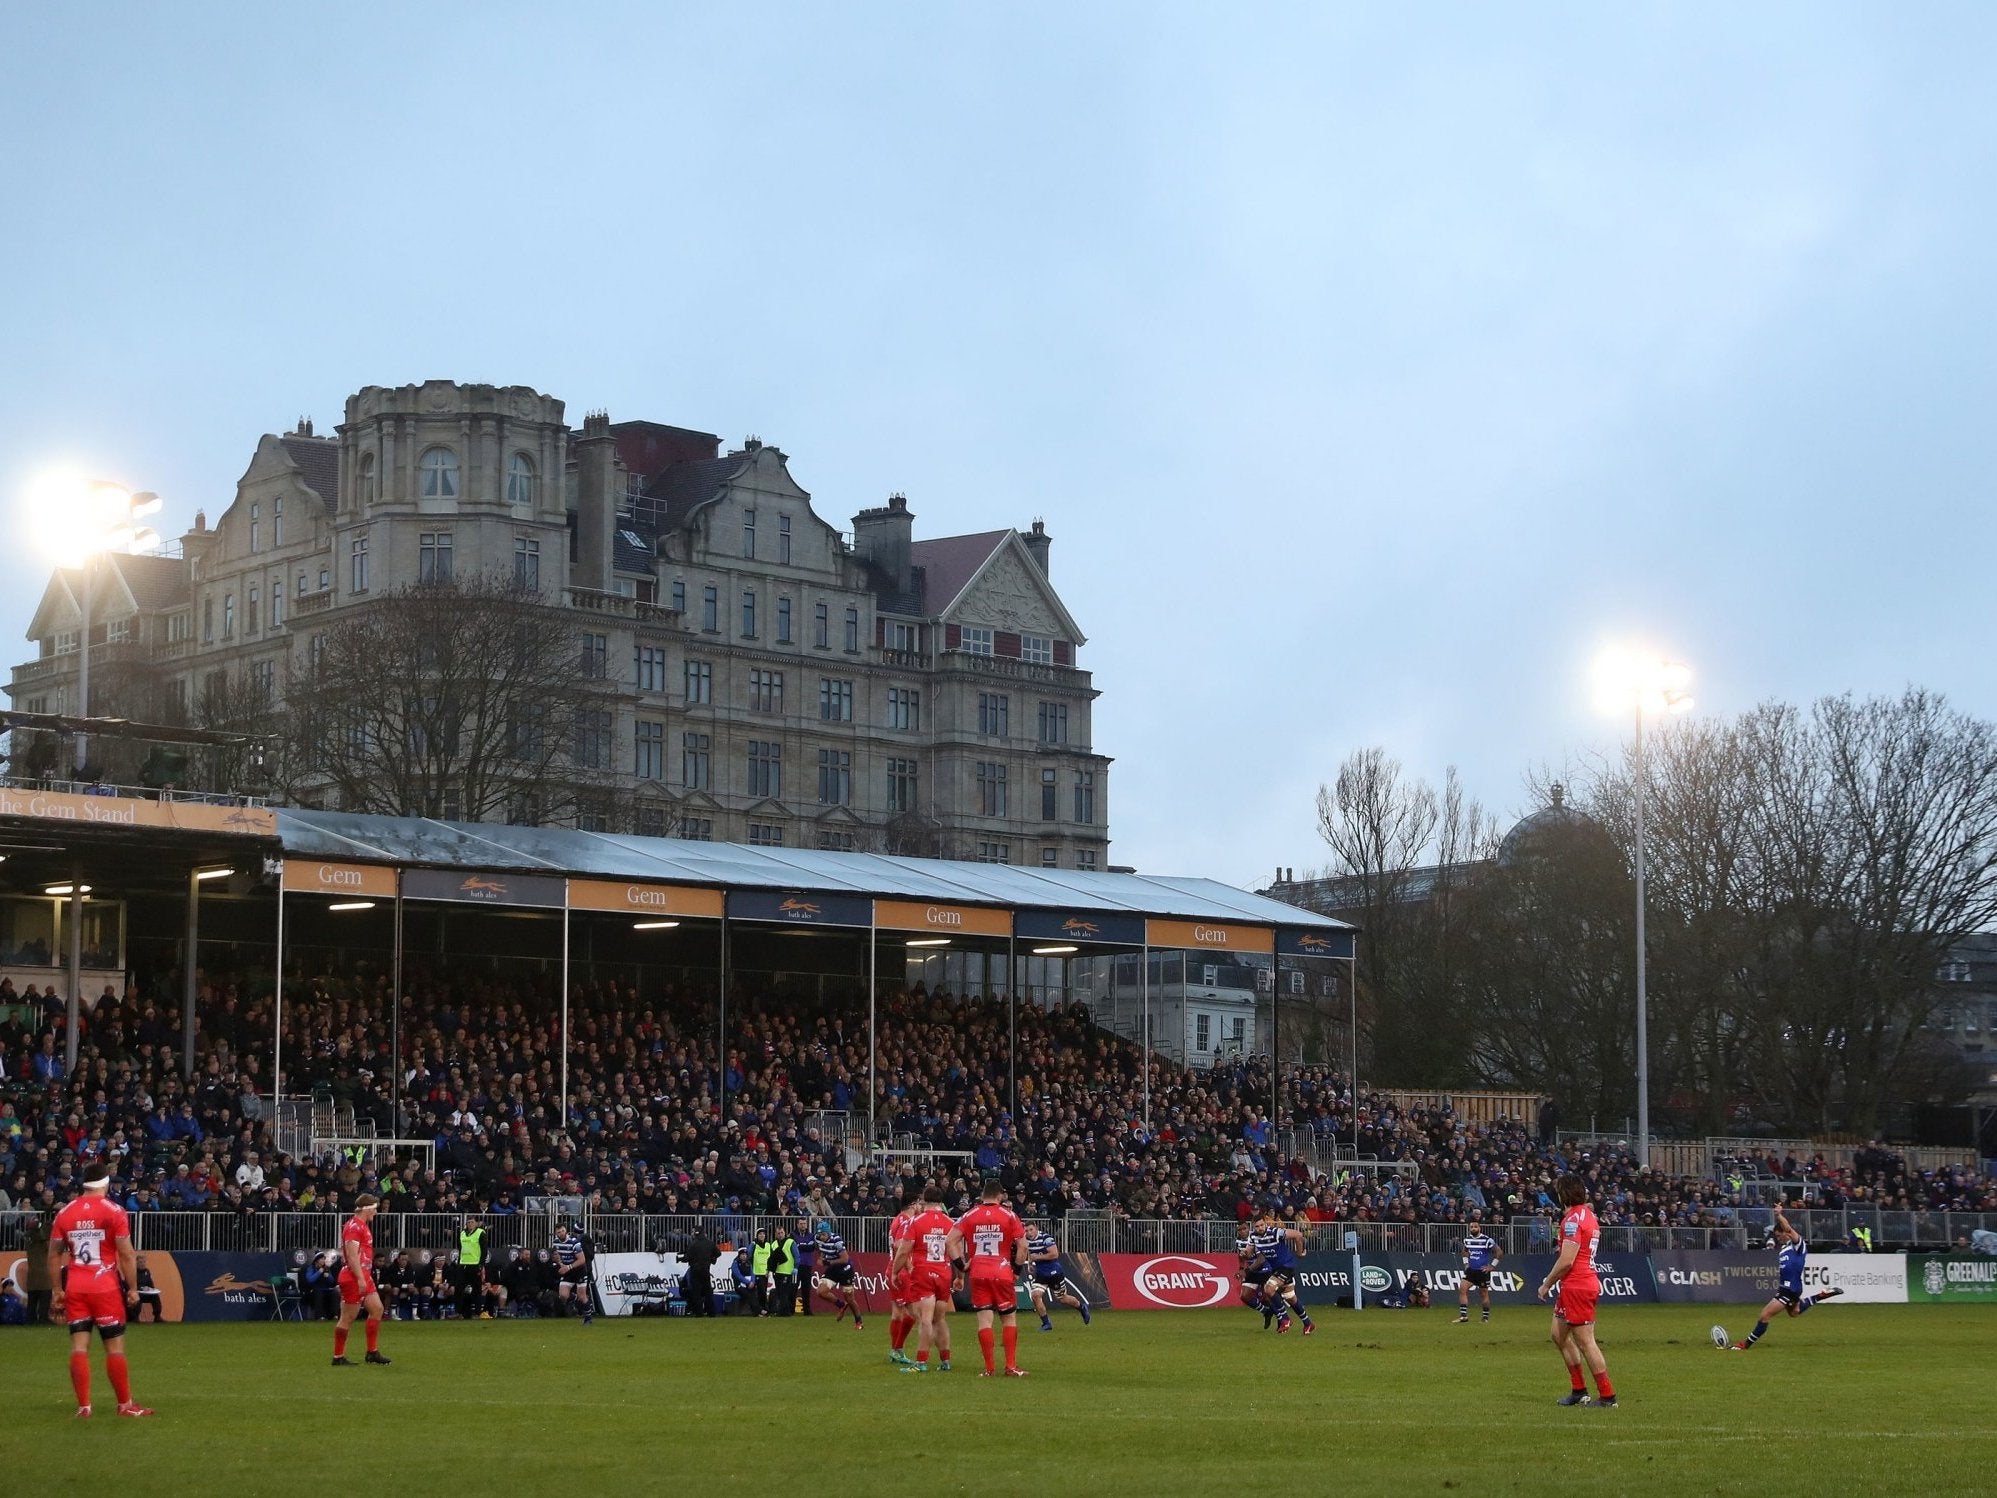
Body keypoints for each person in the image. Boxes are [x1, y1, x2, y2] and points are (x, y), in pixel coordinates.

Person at [49, 1158, 152, 1416]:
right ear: (105, 1182)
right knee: (114, 1348)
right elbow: (127, 1255)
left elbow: (53, 1256)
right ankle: (125, 1405)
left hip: (76, 1287)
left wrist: (56, 1291)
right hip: (104, 1287)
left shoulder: (65, 1212)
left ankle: (84, 1406)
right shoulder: (114, 1211)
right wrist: (132, 1288)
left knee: (79, 1346)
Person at [1537, 1174, 1614, 1407]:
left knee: (1586, 1341)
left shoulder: (1572, 1220)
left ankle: (1607, 1395)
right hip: (1579, 1283)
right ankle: (1579, 1390)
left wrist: (1547, 1282)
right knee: (1558, 1335)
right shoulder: (1588, 1215)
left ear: (1564, 1194)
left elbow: (1567, 1260)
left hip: (1578, 1285)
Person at [947, 1180, 1028, 1377]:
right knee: (1008, 1317)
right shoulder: (1009, 1215)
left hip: (978, 1272)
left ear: (983, 1195)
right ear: (999, 1195)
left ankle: (989, 1369)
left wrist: (961, 1265)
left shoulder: (970, 1215)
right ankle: (1010, 1367)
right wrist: (1016, 1270)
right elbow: (1023, 1246)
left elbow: (950, 1241)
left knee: (984, 1320)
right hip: (1001, 1270)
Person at [1732, 1206, 1843, 1350]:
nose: (1778, 1239)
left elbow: (1788, 1228)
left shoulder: (1798, 1244)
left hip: (1789, 1289)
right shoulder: (1784, 1249)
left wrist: (1779, 1215)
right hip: (1791, 1288)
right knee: (1794, 1312)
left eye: (1779, 1235)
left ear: (1787, 1234)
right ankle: (1820, 1296)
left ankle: (1745, 1345)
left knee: (1764, 1315)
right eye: (1776, 1237)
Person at [896, 1186, 958, 1373]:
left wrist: (894, 1271)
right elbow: (958, 1251)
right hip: (944, 1273)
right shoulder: (950, 1223)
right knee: (940, 1319)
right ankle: (945, 1361)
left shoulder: (916, 1221)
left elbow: (904, 1249)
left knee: (925, 1319)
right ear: (940, 1202)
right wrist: (960, 1276)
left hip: (924, 1272)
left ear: (924, 1201)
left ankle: (921, 1362)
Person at [332, 1194, 390, 1365]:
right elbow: (352, 1255)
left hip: (362, 1274)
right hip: (354, 1276)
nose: (376, 1212)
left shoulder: (360, 1225)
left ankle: (372, 1352)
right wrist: (360, 1279)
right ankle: (338, 1356)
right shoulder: (354, 1227)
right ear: (367, 1208)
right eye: (375, 1208)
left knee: (377, 1309)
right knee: (348, 1317)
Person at [1248, 1207, 1314, 1335]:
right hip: (1276, 1269)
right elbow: (1249, 1250)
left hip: (1287, 1266)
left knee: (1268, 1288)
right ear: (1253, 1227)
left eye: (1262, 1225)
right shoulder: (1253, 1237)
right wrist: (1245, 1253)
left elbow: (1298, 1235)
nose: (1260, 1228)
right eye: (1257, 1226)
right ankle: (1308, 1323)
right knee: (1290, 1297)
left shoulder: (1275, 1232)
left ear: (1265, 1224)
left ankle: (1284, 1318)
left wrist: (1299, 1252)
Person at [1024, 1221, 1090, 1330]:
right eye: (1026, 1230)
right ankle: (1046, 1324)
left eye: (1031, 1230)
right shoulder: (1027, 1240)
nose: (1029, 1233)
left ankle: (1081, 1307)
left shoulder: (1046, 1238)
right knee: (1035, 1295)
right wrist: (1030, 1264)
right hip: (1041, 1274)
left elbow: (1054, 1254)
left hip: (1054, 1273)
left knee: (1062, 1298)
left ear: (1036, 1228)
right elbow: (1031, 1253)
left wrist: (1038, 1258)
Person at [885, 1195, 923, 1365]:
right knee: (914, 1313)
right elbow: (899, 1245)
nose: (920, 1207)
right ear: (913, 1204)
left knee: (897, 1313)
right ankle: (897, 1348)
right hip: (901, 1271)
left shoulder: (897, 1220)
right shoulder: (906, 1220)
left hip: (892, 1267)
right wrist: (909, 1267)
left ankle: (895, 1350)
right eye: (919, 1204)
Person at [811, 1221, 865, 1329]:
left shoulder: (837, 1240)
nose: (821, 1237)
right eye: (820, 1234)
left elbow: (845, 1259)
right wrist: (821, 1257)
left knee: (849, 1298)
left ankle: (859, 1321)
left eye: (824, 1235)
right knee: (821, 1292)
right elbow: (822, 1249)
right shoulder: (817, 1239)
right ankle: (841, 1305)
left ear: (829, 1233)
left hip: (845, 1270)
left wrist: (828, 1262)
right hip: (833, 1269)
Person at [1458, 1211, 1502, 1324]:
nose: (1473, 1228)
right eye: (1471, 1227)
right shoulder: (1467, 1240)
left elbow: (1499, 1252)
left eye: (1475, 1226)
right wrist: (1466, 1263)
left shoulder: (1486, 1240)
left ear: (1479, 1228)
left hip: (1482, 1271)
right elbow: (1464, 1251)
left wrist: (1492, 1266)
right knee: (1462, 1288)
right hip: (1471, 1270)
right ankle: (1463, 1316)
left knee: (1483, 1294)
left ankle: (1485, 1317)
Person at [553, 1217, 594, 1324]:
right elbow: (558, 1256)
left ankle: (588, 1316)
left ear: (566, 1230)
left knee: (582, 1296)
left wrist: (568, 1267)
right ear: (556, 1234)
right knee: (563, 1296)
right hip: (568, 1271)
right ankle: (575, 1297)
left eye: (562, 1231)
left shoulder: (574, 1243)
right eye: (559, 1232)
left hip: (579, 1270)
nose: (561, 1233)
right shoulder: (556, 1243)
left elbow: (582, 1260)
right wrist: (561, 1265)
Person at [456, 1214, 490, 1320]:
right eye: (468, 1222)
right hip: (463, 1264)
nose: (470, 1224)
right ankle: (459, 1312)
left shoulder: (480, 1233)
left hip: (475, 1264)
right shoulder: (462, 1233)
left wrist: (481, 1264)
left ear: (476, 1223)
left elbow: (484, 1250)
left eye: (472, 1222)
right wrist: (459, 1262)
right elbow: (460, 1248)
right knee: (459, 1289)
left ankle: (477, 1312)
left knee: (476, 1290)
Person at [681, 1230, 719, 1317]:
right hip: (705, 1270)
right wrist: (711, 1259)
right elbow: (718, 1253)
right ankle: (711, 1312)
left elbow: (687, 1257)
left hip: (695, 1271)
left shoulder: (693, 1244)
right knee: (708, 1292)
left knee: (696, 1292)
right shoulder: (710, 1243)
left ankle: (699, 1313)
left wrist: (682, 1259)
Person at [769, 1223, 797, 1317]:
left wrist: (796, 1267)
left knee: (785, 1292)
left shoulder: (790, 1242)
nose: (780, 1234)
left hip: (787, 1271)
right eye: (778, 1233)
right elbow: (771, 1259)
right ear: (776, 1234)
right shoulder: (773, 1244)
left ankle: (785, 1312)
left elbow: (796, 1256)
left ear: (785, 1233)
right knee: (779, 1292)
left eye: (781, 1232)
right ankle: (783, 1311)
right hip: (777, 1272)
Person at [132, 1256, 164, 1323]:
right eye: (140, 1262)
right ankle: (135, 1318)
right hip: (137, 1293)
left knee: (155, 1296)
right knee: (136, 1297)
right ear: (136, 1263)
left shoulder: (147, 1271)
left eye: (144, 1262)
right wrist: (141, 1288)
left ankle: (157, 1316)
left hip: (146, 1294)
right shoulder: (133, 1272)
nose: (142, 1264)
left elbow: (150, 1282)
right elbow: (131, 1284)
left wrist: (152, 1289)